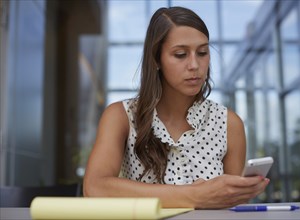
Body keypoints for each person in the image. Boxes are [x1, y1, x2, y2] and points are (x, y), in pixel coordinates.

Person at [83, 6, 269, 209]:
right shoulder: (121, 116)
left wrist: (243, 192)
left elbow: (234, 206)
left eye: (202, 52)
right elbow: (94, 188)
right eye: (180, 54)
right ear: (156, 59)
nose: (194, 65)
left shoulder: (229, 124)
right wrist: (194, 195)